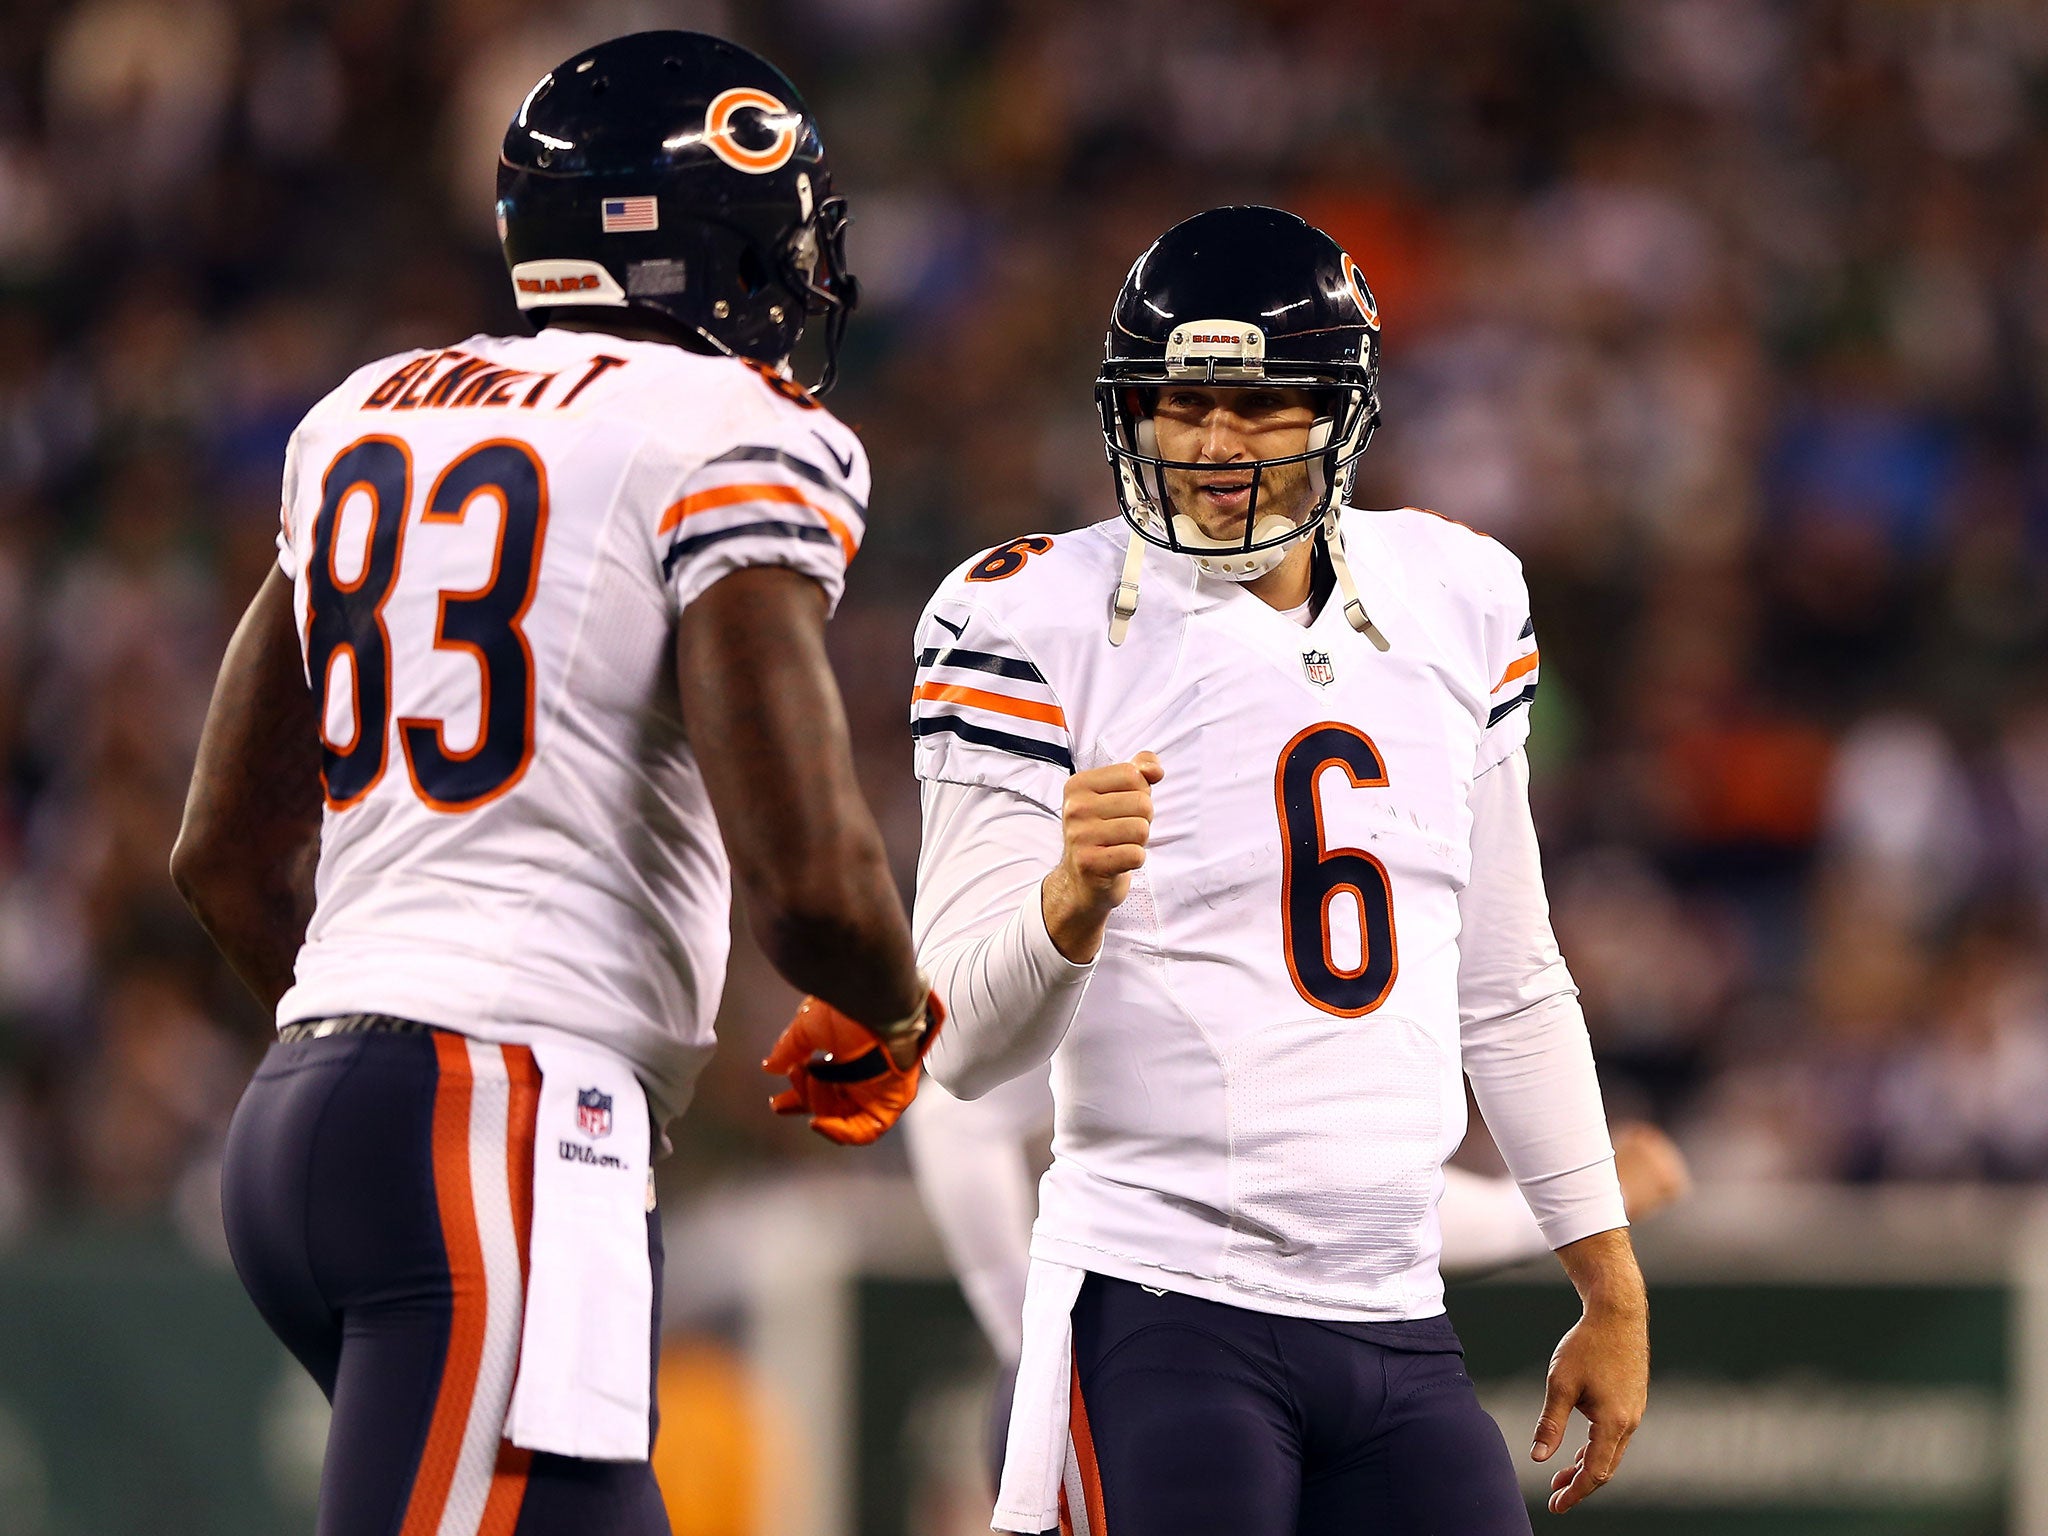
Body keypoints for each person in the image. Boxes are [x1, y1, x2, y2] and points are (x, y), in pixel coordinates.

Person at [171, 32, 937, 1536]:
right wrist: (899, 1007)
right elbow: (813, 883)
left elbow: (223, 855)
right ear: (707, 243)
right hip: (498, 1121)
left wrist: (368, 1043)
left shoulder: (367, 411)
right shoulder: (726, 431)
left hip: (325, 1111)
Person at [897, 206, 1649, 1535]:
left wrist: (1609, 1281)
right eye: (1183, 402)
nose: (1214, 444)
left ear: (1341, 411)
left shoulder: (1456, 592)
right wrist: (1065, 909)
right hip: (1157, 1300)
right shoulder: (1025, 616)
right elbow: (955, 1054)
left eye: (1257, 404)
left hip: (1393, 1316)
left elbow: (1511, 980)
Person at [901, 1071, 1689, 1490]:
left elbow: (1342, 1196)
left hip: (1335, 1351)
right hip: (1136, 1350)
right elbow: (953, 1113)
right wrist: (1033, 1343)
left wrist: (1568, 1211)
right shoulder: (1159, 897)